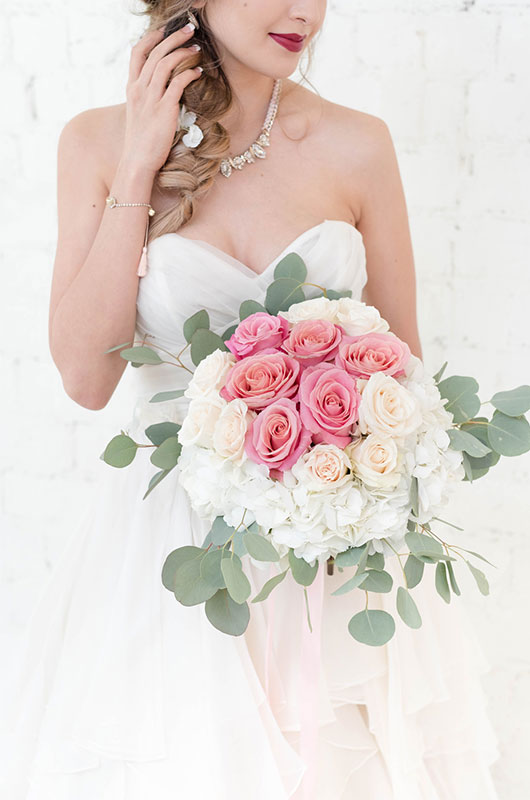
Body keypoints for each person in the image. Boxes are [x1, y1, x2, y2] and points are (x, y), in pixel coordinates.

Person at [1, 2, 500, 798]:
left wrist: (352, 479)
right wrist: (138, 163)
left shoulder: (358, 144)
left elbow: (406, 376)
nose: (306, 11)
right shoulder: (95, 143)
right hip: (169, 553)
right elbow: (86, 380)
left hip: (331, 550)